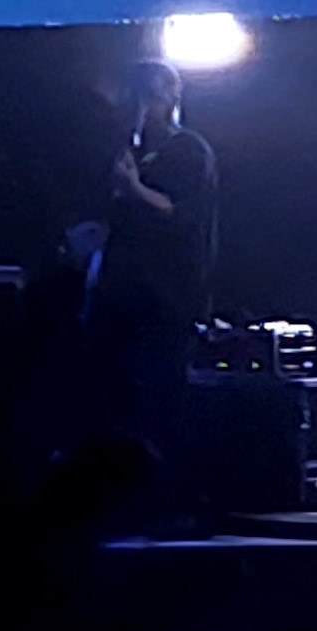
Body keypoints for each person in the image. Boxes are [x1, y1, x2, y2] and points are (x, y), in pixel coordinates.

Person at [96, 61, 218, 485]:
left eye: (148, 97)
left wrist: (134, 189)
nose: (139, 107)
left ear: (169, 99)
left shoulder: (187, 151)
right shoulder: (125, 151)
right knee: (117, 399)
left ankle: (171, 493)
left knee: (162, 399)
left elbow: (178, 212)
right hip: (122, 296)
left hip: (168, 297)